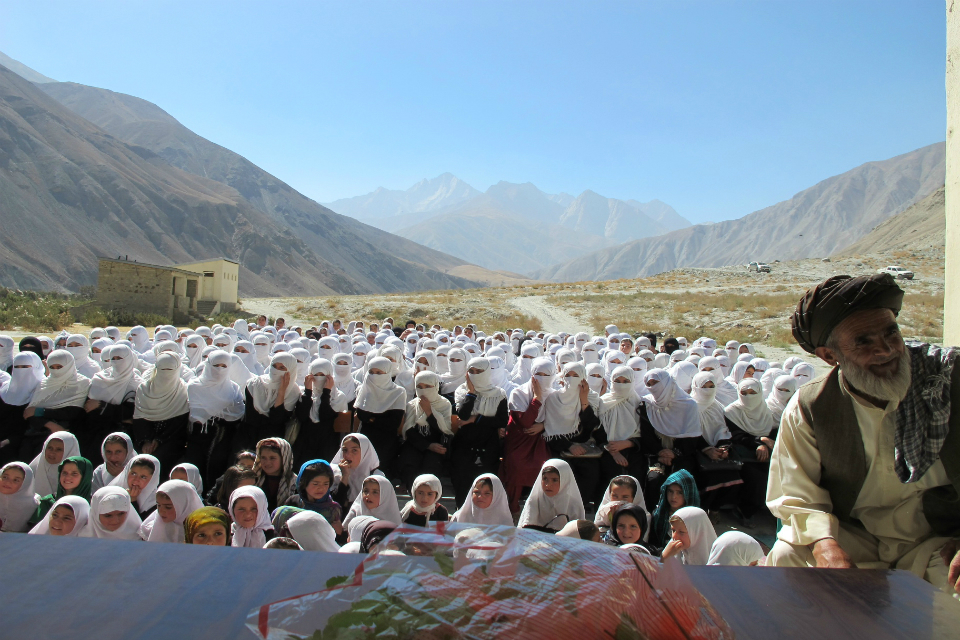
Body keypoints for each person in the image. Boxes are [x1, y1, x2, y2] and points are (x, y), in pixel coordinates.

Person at [768, 273, 960, 591]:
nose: (885, 350)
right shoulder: (812, 406)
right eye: (864, 342)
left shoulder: (948, 383)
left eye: (891, 333)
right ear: (830, 357)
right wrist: (824, 545)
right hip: (857, 535)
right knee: (788, 558)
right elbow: (797, 495)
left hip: (940, 538)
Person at [639, 368, 702, 510]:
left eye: (656, 382)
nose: (653, 387)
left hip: (682, 454)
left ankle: (684, 517)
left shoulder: (688, 405)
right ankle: (655, 516)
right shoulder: (647, 405)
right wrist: (660, 453)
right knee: (654, 479)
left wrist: (674, 453)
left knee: (681, 480)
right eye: (650, 384)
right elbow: (646, 435)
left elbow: (692, 437)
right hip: (656, 455)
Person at [184, 350, 245, 488]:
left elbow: (238, 413)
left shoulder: (233, 388)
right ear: (208, 365)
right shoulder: (194, 386)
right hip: (197, 438)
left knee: (217, 470)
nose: (219, 370)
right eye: (216, 365)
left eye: (224, 366)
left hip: (223, 438)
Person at [451, 357, 506, 506]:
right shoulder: (462, 391)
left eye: (479, 371)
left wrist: (476, 418)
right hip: (464, 445)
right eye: (471, 371)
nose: (475, 375)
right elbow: (462, 414)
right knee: (462, 485)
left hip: (488, 445)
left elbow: (501, 421)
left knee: (485, 485)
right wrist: (471, 393)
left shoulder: (498, 394)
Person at [502, 357, 554, 514]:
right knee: (516, 466)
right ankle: (512, 507)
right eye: (539, 374)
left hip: (541, 440)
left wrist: (544, 426)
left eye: (547, 375)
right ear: (532, 375)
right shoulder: (519, 393)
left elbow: (561, 419)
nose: (542, 379)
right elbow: (525, 422)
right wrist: (536, 399)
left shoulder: (553, 395)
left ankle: (539, 509)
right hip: (519, 440)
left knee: (543, 466)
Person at [21, 351, 90, 462]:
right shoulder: (44, 384)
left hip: (70, 434)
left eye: (59, 367)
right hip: (38, 434)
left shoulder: (82, 384)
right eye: (52, 367)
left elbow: (73, 413)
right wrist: (50, 425)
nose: (56, 371)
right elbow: (29, 414)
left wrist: (40, 412)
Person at [131, 353, 191, 480]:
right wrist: (146, 440)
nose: (166, 374)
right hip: (144, 437)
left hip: (171, 438)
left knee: (159, 460)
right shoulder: (144, 389)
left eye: (170, 370)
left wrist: (158, 440)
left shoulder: (182, 390)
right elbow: (139, 418)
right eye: (162, 369)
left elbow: (179, 422)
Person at [724, 378, 776, 525]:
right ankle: (745, 511)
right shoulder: (732, 412)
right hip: (742, 455)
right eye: (744, 393)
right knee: (757, 478)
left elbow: (770, 436)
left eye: (753, 393)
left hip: (762, 453)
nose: (748, 397)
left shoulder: (765, 411)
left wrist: (762, 442)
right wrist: (759, 442)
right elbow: (737, 436)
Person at [83, 345, 141, 466]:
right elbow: (89, 409)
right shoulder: (99, 379)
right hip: (96, 435)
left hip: (123, 436)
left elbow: (132, 412)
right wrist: (116, 413)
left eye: (119, 358)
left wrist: (101, 405)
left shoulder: (136, 384)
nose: (116, 362)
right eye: (112, 358)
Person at [397, 371, 452, 493]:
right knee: (409, 460)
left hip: (437, 444)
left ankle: (429, 494)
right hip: (416, 444)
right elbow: (409, 431)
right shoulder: (412, 405)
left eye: (428, 386)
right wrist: (427, 446)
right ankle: (413, 492)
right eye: (420, 387)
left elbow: (444, 430)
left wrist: (429, 412)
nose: (423, 390)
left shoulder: (444, 404)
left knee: (431, 463)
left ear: (435, 386)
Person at [354, 356, 407, 478]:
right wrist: (375, 419)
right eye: (371, 372)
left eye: (379, 373)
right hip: (365, 436)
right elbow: (361, 414)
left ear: (387, 372)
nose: (374, 376)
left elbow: (393, 423)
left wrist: (371, 419)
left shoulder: (398, 392)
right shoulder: (365, 389)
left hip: (387, 440)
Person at [294, 360, 349, 465]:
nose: (319, 378)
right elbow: (302, 416)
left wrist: (326, 393)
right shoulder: (304, 394)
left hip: (327, 445)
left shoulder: (338, 397)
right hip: (305, 445)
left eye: (322, 375)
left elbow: (325, 416)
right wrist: (308, 392)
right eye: (316, 375)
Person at [242, 352, 300, 448]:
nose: (276, 370)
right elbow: (251, 419)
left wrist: (281, 393)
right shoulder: (254, 385)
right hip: (249, 438)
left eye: (282, 368)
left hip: (273, 444)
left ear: (291, 370)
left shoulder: (293, 392)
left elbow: (277, 420)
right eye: (274, 366)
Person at [0, 352, 44, 465]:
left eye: (25, 367)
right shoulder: (5, 389)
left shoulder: (43, 390)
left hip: (27, 440)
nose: (21, 371)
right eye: (17, 367)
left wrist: (10, 440)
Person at [517, 459, 584, 532]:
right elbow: (526, 529)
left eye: (554, 480)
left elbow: (578, 534)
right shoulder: (535, 500)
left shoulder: (574, 504)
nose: (548, 485)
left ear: (564, 480)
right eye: (545, 479)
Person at [29, 456, 93, 526]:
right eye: (64, 473)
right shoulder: (48, 502)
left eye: (74, 473)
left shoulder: (93, 505)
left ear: (85, 477)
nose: (68, 477)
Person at [285, 459, 342, 536]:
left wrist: (339, 532)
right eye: (315, 484)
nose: (321, 488)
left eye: (325, 484)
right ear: (304, 483)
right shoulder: (293, 502)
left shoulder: (333, 510)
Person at [648, 469, 700, 553]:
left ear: (688, 493)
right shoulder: (658, 514)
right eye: (670, 491)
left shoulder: (697, 518)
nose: (673, 497)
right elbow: (653, 542)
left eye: (679, 492)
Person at [140, 479, 204, 543]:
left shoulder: (204, 530)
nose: (161, 511)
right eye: (158, 505)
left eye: (168, 507)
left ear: (184, 506)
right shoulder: (151, 528)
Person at [109, 453, 161, 519]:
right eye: (133, 474)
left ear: (152, 480)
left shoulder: (157, 504)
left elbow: (138, 526)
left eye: (143, 477)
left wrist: (133, 501)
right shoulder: (111, 491)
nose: (136, 480)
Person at [253, 437, 295, 513]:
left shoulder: (294, 484)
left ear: (284, 458)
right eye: (263, 458)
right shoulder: (254, 480)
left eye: (272, 458)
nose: (267, 462)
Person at [0, 461, 40, 532]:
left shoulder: (34, 506)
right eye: (5, 477)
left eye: (16, 480)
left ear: (25, 484)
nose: (8, 482)